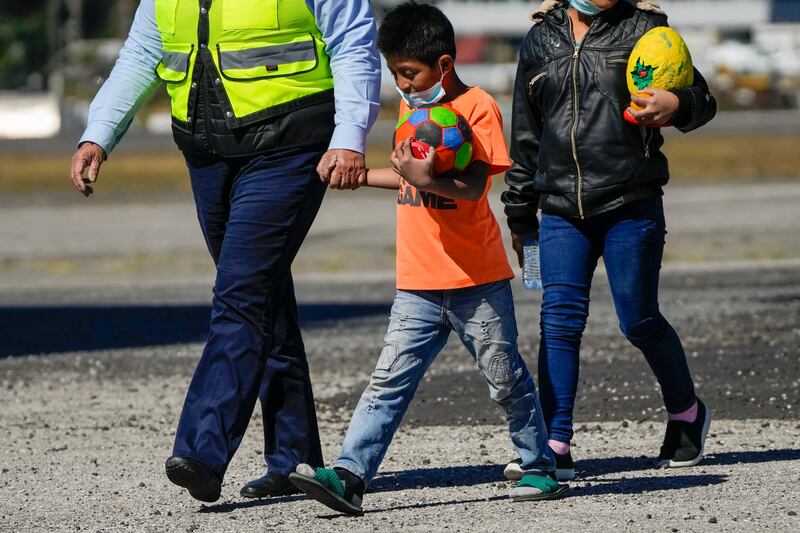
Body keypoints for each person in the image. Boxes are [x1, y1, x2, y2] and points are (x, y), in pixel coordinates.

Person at [69, 0, 381, 502]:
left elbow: (353, 44)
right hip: (207, 154)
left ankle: (202, 451)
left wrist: (349, 137)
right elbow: (142, 52)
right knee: (263, 297)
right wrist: (98, 135)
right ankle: (295, 459)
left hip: (291, 143)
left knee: (241, 293)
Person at [286, 2, 568, 515]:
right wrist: (361, 176)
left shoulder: (478, 107)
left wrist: (428, 179)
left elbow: (476, 184)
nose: (403, 84)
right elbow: (405, 175)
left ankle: (539, 466)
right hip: (417, 282)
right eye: (395, 73)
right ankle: (349, 475)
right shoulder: (412, 111)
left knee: (504, 378)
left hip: (476, 281)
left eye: (409, 73)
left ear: (442, 65)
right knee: (388, 381)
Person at [501, 0, 715, 482]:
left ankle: (686, 412)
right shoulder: (541, 39)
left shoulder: (648, 31)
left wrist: (678, 104)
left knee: (638, 320)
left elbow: (704, 100)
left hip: (630, 203)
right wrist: (519, 214)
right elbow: (526, 135)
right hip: (558, 208)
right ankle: (555, 444)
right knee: (558, 323)